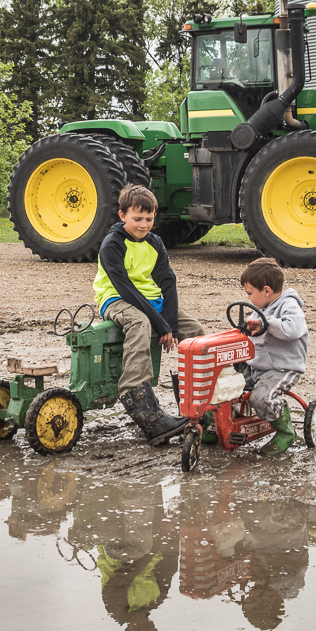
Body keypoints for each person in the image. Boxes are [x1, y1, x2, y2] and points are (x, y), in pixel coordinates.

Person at [94, 184, 205, 445]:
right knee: (139, 322)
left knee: (197, 332)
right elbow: (125, 288)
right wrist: (160, 324)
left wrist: (174, 328)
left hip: (149, 298)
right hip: (116, 298)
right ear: (122, 216)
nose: (144, 225)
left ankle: (198, 404)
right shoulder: (112, 244)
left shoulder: (155, 242)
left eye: (149, 218)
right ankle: (144, 408)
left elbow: (168, 283)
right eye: (137, 218)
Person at [239, 257, 308, 456]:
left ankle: (285, 431)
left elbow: (292, 330)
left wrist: (267, 323)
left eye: (250, 293)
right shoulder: (258, 309)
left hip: (282, 368)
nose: (249, 298)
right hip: (257, 366)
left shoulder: (289, 306)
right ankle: (215, 426)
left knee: (260, 398)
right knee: (225, 387)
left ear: (267, 290)